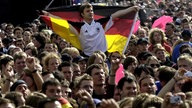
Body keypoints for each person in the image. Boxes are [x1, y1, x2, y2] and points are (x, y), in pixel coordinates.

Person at [42, 3, 140, 56]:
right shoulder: (78, 27)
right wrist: (48, 15)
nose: (91, 12)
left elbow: (117, 14)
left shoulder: (101, 23)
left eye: (92, 10)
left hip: (104, 56)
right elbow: (61, 21)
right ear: (82, 14)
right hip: (87, 57)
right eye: (88, 11)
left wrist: (131, 9)